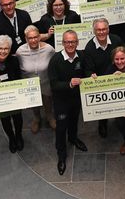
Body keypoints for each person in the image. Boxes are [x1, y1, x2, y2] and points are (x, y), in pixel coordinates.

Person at [48, 29, 88, 175]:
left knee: (74, 121)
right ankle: (62, 155)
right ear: (62, 43)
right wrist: (69, 84)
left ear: (77, 42)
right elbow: (53, 84)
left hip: (76, 99)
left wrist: (92, 76)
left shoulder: (82, 56)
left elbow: (86, 72)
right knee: (61, 128)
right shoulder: (55, 60)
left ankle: (73, 138)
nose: (70, 44)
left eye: (73, 41)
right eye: (67, 42)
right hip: (61, 101)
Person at [16, 25, 55, 133]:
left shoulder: (48, 49)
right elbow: (16, 67)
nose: (33, 40)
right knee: (34, 103)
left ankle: (49, 116)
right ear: (26, 39)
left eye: (35, 37)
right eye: (30, 38)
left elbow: (55, 62)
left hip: (46, 81)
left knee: (47, 100)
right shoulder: (20, 51)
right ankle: (37, 118)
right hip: (30, 84)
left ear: (39, 37)